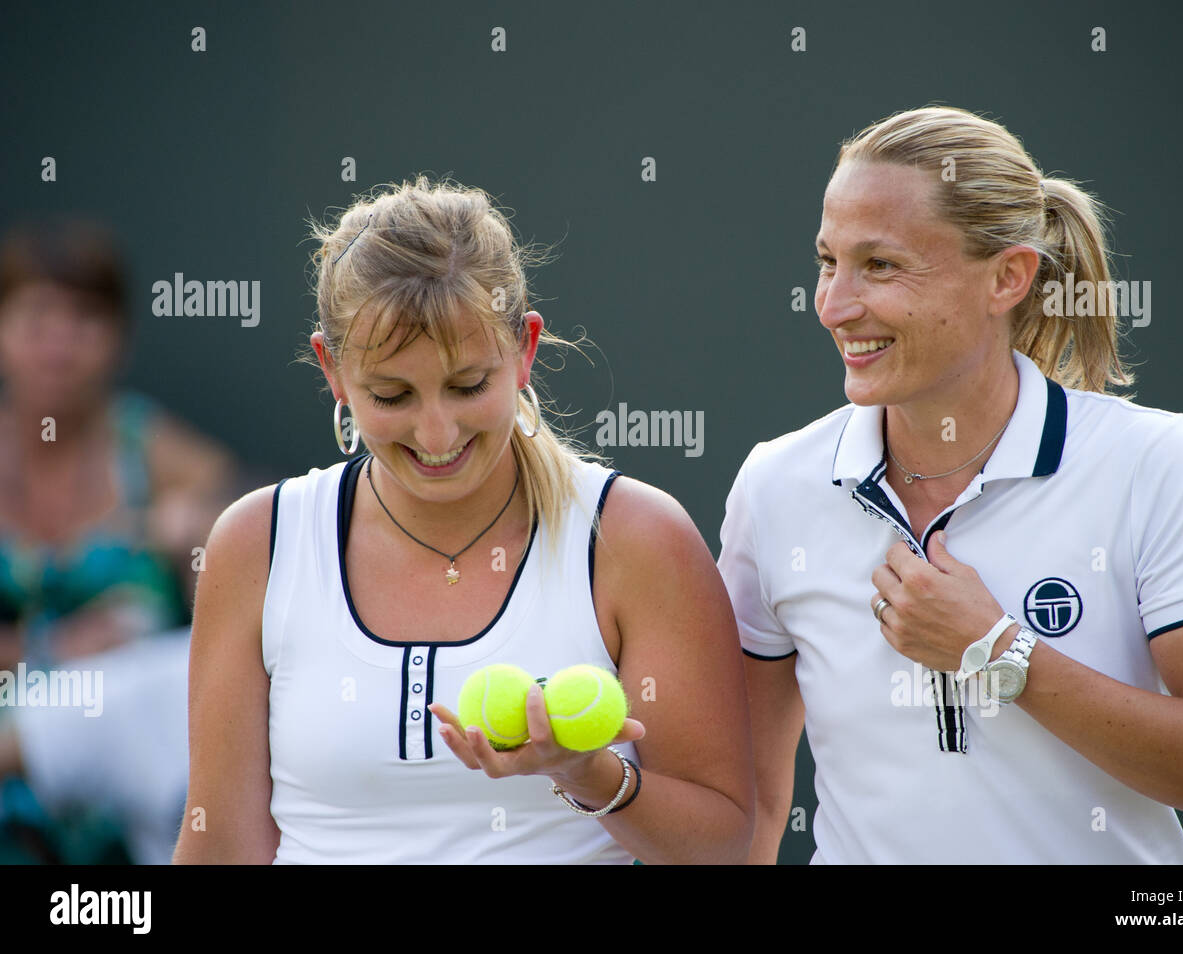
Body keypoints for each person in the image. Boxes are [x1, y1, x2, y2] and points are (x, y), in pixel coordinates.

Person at [719, 106, 1183, 864]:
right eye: (829, 262)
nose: (834, 305)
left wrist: (997, 652)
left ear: (1008, 278)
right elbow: (750, 810)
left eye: (880, 265)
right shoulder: (774, 486)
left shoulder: (1152, 460)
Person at [173, 177, 753, 864]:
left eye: (468, 385)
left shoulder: (639, 538)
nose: (436, 431)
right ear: (332, 370)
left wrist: (584, 773)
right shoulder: (254, 544)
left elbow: (723, 848)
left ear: (525, 349)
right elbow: (219, 849)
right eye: (391, 394)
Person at [0, 217, 237, 863]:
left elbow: (244, 585)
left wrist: (199, 538)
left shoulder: (159, 454)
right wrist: (46, 653)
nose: (59, 344)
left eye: (83, 319)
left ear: (118, 338)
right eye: (37, 317)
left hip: (136, 804)